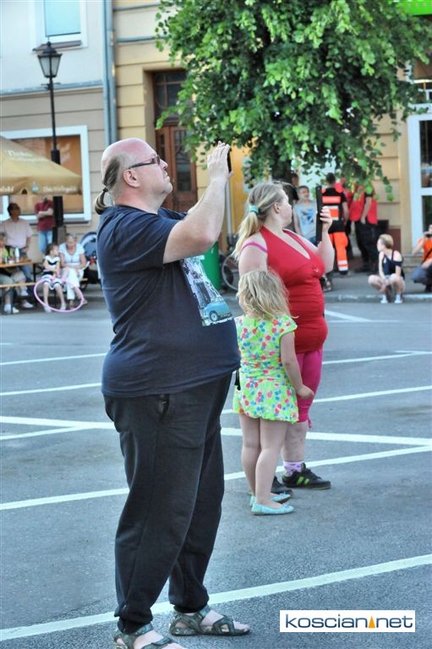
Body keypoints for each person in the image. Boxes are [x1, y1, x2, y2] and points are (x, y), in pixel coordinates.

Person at [95, 138, 249, 649]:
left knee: (200, 505)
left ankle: (190, 607)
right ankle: (133, 626)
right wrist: (217, 176)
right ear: (131, 176)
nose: (166, 164)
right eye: (155, 160)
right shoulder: (123, 226)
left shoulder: (159, 220)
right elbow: (203, 233)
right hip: (159, 389)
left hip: (195, 385)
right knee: (159, 510)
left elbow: (204, 226)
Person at [234, 181, 334, 491]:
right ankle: (265, 481)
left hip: (312, 339)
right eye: (288, 202)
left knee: (301, 408)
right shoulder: (256, 244)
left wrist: (326, 232)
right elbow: (250, 298)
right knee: (273, 413)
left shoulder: (292, 237)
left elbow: (324, 265)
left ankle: (294, 469)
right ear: (277, 206)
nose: (292, 206)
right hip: (281, 345)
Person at [234, 269, 314, 515]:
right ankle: (263, 499)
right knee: (270, 447)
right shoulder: (282, 324)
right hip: (274, 390)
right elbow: (289, 361)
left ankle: (256, 492)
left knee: (250, 445)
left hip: (246, 388)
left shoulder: (239, 323)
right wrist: (299, 387)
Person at [2, 203, 34, 309]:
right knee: (15, 274)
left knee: (27, 274)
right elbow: (1, 237)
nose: (18, 210)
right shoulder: (4, 223)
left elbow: (29, 236)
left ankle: (28, 298)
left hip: (22, 251)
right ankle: (17, 299)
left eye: (18, 208)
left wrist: (27, 246)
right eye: (16, 209)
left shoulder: (24, 222)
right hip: (9, 251)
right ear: (11, 211)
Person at [321, 172, 349, 275]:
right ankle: (343, 270)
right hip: (338, 224)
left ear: (326, 181)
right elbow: (346, 211)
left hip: (326, 224)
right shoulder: (340, 194)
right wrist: (345, 221)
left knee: (328, 248)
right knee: (340, 247)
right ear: (334, 181)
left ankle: (328, 270)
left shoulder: (322, 194)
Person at [349, 183, 379, 273]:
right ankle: (366, 264)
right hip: (358, 219)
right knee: (360, 243)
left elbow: (368, 203)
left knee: (368, 243)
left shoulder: (368, 189)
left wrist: (363, 217)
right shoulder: (357, 189)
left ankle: (375, 265)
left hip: (366, 220)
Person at [368, 234, 405, 304]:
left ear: (384, 245)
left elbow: (398, 274)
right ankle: (386, 295)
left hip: (397, 280)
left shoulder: (396, 255)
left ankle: (398, 295)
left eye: (378, 244)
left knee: (394, 277)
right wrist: (383, 279)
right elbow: (381, 270)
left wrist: (385, 284)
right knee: (371, 279)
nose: (377, 245)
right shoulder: (381, 254)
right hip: (386, 278)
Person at [0, 232, 26, 314]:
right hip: (1, 273)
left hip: (9, 271)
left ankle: (23, 294)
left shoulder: (8, 248)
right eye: (1, 240)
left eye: (5, 240)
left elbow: (13, 257)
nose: (3, 242)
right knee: (9, 281)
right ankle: (8, 306)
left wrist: (13, 258)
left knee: (20, 274)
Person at [59, 233, 87, 308]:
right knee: (71, 274)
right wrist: (73, 268)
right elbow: (62, 264)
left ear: (75, 241)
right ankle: (79, 296)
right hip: (65, 270)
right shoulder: (62, 247)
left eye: (71, 242)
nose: (69, 244)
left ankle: (71, 300)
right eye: (68, 242)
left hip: (78, 269)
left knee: (70, 277)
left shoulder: (79, 247)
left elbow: (83, 263)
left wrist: (75, 268)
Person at [40, 242, 66, 313]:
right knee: (46, 284)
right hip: (46, 275)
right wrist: (54, 270)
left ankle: (63, 303)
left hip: (54, 276)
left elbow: (57, 268)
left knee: (57, 285)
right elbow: (46, 266)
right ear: (51, 251)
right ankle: (46, 303)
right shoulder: (46, 258)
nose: (58, 251)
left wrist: (54, 275)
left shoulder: (57, 259)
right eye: (56, 250)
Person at [411, 224, 432, 292]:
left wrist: (431, 260)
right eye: (430, 228)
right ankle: (429, 283)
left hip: (429, 263)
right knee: (416, 276)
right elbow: (413, 253)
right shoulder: (425, 240)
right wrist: (423, 240)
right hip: (426, 264)